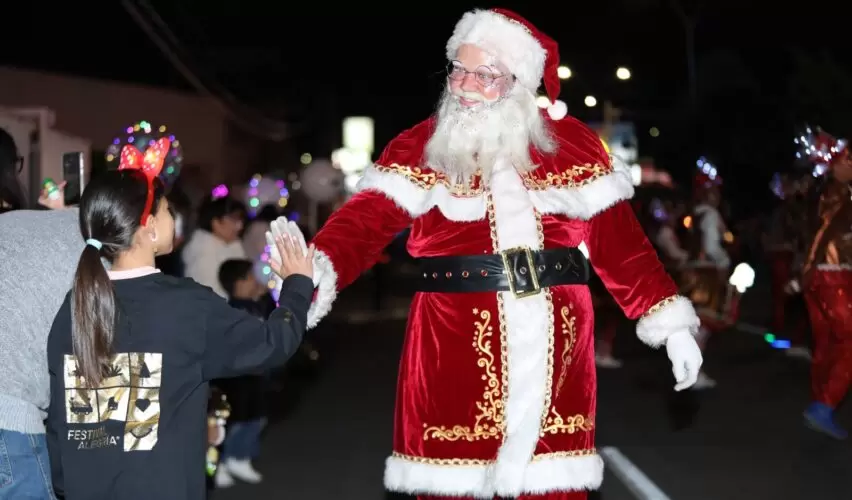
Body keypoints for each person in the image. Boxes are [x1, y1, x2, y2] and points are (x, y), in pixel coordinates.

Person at [267, 8, 702, 499]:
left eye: (485, 74)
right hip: (450, 341)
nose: (465, 85)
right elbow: (364, 222)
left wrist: (674, 329)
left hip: (556, 348)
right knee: (451, 484)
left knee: (552, 487)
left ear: (519, 84)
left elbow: (623, 249)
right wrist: (314, 271)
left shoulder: (573, 147)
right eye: (458, 70)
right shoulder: (421, 146)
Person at [45, 164, 315, 499]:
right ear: (150, 227)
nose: (174, 217)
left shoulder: (73, 306)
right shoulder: (186, 306)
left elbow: (59, 424)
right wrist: (297, 284)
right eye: (167, 210)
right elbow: (273, 344)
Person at [792, 128, 852, 439]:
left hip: (816, 275)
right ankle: (824, 406)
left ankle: (820, 402)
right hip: (832, 274)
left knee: (827, 342)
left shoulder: (820, 193)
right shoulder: (839, 193)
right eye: (849, 162)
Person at [213, 259, 271, 488]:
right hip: (237, 379)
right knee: (233, 422)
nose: (256, 281)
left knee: (257, 417)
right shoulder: (232, 310)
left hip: (256, 374)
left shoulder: (256, 304)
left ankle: (242, 457)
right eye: (250, 277)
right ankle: (221, 462)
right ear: (237, 283)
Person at [182, 196, 247, 298]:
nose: (240, 226)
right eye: (234, 220)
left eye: (241, 220)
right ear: (216, 223)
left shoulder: (233, 245)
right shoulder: (203, 251)